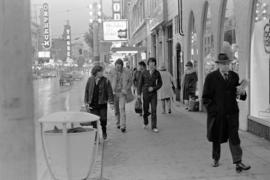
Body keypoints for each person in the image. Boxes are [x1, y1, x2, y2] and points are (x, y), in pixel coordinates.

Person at [202, 53, 251, 172]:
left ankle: (238, 162)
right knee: (216, 137)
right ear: (218, 64)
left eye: (227, 64)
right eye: (223, 64)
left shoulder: (234, 76)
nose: (226, 66)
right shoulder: (211, 77)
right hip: (217, 115)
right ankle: (216, 158)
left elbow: (239, 95)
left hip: (232, 113)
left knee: (234, 137)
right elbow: (205, 98)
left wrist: (242, 92)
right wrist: (214, 111)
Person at [84, 65, 114, 140]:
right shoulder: (90, 80)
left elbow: (109, 92)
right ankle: (96, 136)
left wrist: (111, 103)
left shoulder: (106, 80)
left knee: (103, 120)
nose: (102, 73)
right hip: (93, 104)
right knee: (94, 122)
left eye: (102, 71)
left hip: (102, 104)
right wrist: (86, 102)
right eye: (100, 71)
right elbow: (87, 92)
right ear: (96, 72)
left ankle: (104, 131)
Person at [138, 57, 162, 133]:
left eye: (153, 63)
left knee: (154, 110)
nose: (151, 64)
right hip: (145, 93)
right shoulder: (144, 73)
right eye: (150, 63)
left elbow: (160, 83)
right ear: (148, 64)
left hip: (153, 94)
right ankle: (145, 122)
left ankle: (154, 126)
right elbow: (140, 84)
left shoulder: (157, 73)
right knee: (145, 109)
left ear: (155, 64)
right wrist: (139, 94)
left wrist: (154, 88)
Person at [111, 59, 133, 133]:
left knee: (122, 108)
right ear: (115, 66)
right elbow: (108, 82)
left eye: (119, 67)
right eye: (117, 66)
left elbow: (130, 81)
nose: (118, 68)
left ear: (122, 66)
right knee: (116, 110)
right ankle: (118, 123)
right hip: (114, 94)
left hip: (122, 94)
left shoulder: (127, 72)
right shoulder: (111, 72)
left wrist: (126, 88)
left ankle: (123, 126)